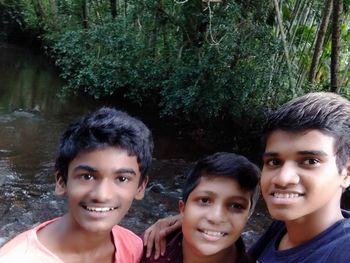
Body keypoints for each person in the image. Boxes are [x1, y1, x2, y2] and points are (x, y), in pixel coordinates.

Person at [143, 92, 350, 262]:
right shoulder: (285, 227)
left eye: (310, 161)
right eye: (274, 162)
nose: (283, 178)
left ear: (346, 173)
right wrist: (191, 217)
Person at [0, 107, 153, 262]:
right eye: (87, 177)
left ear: (140, 187)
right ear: (61, 181)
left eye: (122, 179)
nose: (102, 195)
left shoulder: (133, 246)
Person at [142, 152, 260, 263]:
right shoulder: (141, 251)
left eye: (236, 206)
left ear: (248, 216)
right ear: (182, 208)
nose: (216, 218)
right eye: (205, 200)